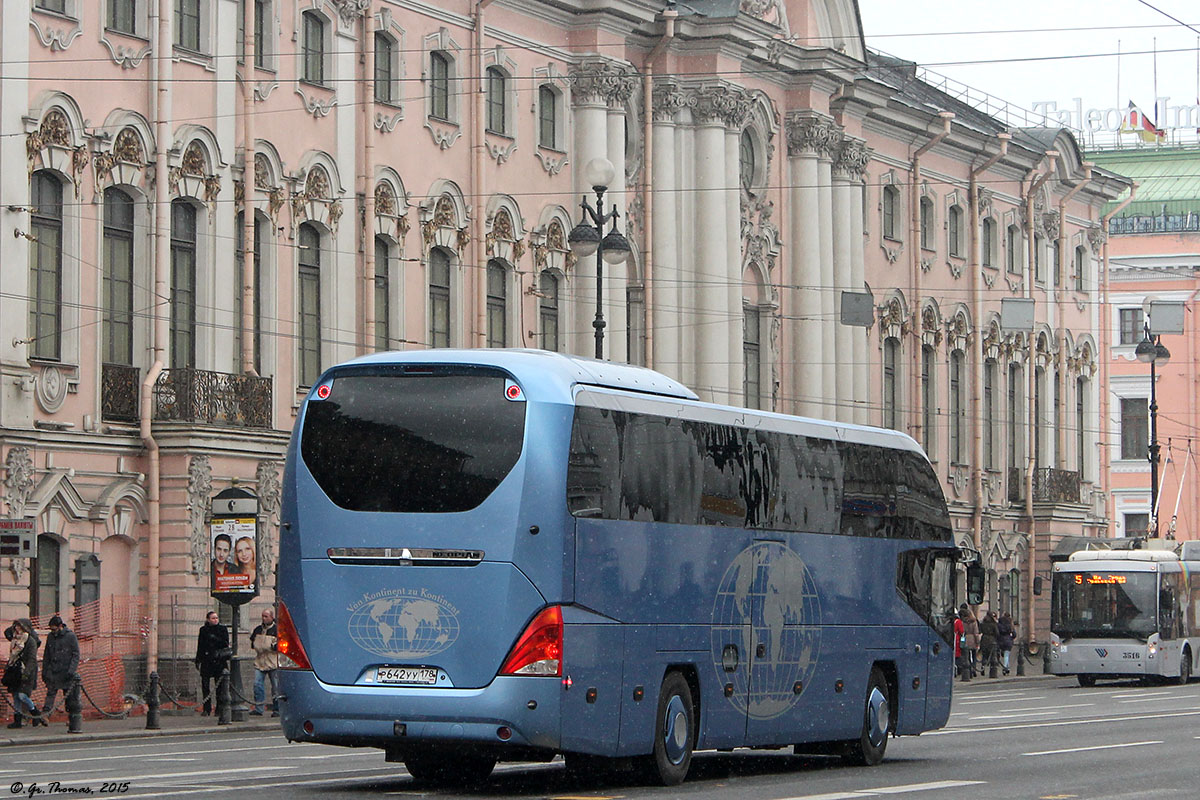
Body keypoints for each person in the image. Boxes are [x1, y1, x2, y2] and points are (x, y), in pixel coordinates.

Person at [4, 619, 46, 728]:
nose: (17, 629)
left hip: (26, 671)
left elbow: (32, 659)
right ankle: (17, 720)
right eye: (16, 626)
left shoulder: (30, 641)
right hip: (15, 671)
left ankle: (35, 713)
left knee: (22, 695)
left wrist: (26, 672)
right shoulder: (15, 639)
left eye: (19, 626)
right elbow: (7, 632)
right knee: (16, 696)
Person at [40, 615, 80, 719]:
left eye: (54, 629)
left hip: (66, 671)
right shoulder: (50, 637)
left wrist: (71, 670)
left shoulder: (71, 636)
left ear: (60, 626)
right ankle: (46, 715)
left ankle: (72, 717)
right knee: (50, 693)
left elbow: (76, 654)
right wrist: (45, 671)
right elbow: (47, 655)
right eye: (51, 629)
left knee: (69, 697)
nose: (53, 631)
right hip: (53, 670)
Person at [194, 610, 230, 715]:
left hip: (219, 660)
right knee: (205, 686)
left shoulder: (222, 629)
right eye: (213, 618)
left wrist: (215, 638)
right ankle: (207, 708)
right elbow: (200, 645)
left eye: (216, 618)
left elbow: (225, 643)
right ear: (208, 619)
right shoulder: (204, 630)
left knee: (219, 686)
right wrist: (198, 659)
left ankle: (219, 708)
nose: (215, 620)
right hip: (207, 660)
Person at [250, 608, 281, 716]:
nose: (264, 618)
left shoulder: (277, 629)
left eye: (266, 616)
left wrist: (272, 646)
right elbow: (253, 643)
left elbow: (280, 645)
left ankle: (277, 709)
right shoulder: (258, 629)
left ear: (272, 617)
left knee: (276, 687)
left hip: (273, 662)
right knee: (257, 685)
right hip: (260, 662)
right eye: (263, 616)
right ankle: (259, 708)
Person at [960, 604, 981, 678]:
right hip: (973, 639)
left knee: (967, 656)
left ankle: (968, 670)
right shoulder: (974, 622)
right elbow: (976, 633)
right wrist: (977, 642)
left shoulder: (963, 622)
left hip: (966, 639)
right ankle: (973, 669)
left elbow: (962, 632)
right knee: (974, 656)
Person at [979, 610, 999, 676]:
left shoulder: (983, 623)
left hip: (984, 639)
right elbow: (997, 633)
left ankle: (983, 667)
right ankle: (992, 669)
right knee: (992, 655)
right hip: (991, 640)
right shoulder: (993, 624)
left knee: (984, 655)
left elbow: (980, 630)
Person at [998, 611, 1017, 675]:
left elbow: (998, 632)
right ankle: (1005, 668)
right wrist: (1011, 638)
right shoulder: (1011, 624)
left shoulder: (1000, 623)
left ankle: (1007, 668)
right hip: (1008, 640)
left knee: (1006, 655)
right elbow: (1014, 634)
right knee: (1006, 655)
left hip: (1001, 641)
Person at [952, 609, 967, 681]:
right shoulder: (958, 622)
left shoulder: (951, 621)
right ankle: (957, 669)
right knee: (957, 655)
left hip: (951, 638)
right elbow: (962, 631)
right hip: (957, 639)